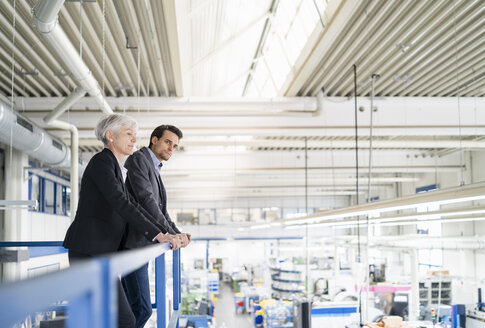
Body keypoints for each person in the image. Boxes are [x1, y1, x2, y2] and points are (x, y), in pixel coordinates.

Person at [63, 114, 182, 328]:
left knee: (114, 319)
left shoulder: (117, 166)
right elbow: (121, 203)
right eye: (129, 134)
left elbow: (133, 205)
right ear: (110, 136)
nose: (134, 140)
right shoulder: (102, 162)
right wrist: (158, 234)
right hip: (89, 250)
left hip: (101, 252)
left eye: (135, 135)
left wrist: (162, 233)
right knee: (125, 319)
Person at [122, 124, 191, 328]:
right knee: (142, 309)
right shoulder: (139, 160)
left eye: (175, 145)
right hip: (132, 245)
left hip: (142, 243)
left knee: (131, 309)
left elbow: (161, 210)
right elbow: (146, 200)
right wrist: (170, 234)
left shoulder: (153, 167)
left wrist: (178, 234)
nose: (171, 148)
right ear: (154, 139)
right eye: (168, 142)